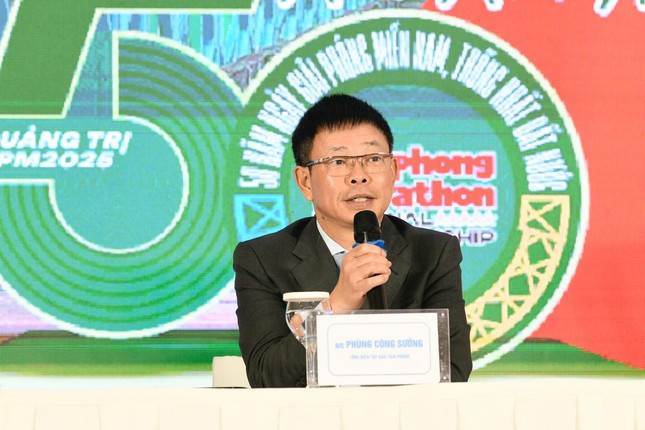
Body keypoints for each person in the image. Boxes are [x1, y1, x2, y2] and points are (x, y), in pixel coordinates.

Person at [234, 93, 472, 387]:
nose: (359, 176)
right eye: (338, 161)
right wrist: (336, 305)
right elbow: (266, 377)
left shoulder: (434, 252)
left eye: (373, 159)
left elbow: (453, 371)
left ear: (393, 171)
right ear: (305, 182)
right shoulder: (262, 258)